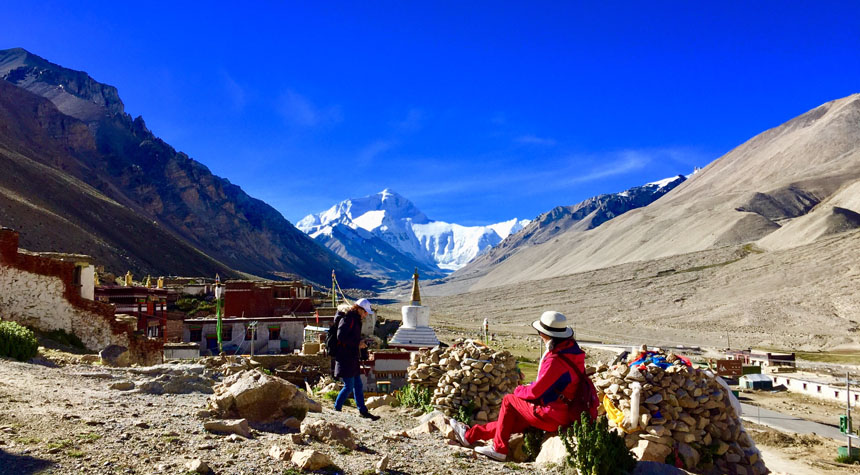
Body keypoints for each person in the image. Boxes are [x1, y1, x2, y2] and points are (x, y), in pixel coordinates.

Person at [449, 311, 587, 461]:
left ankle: (499, 448)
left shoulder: (555, 359)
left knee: (509, 400)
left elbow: (536, 391)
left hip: (552, 414)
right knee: (510, 422)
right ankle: (469, 436)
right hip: (566, 412)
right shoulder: (574, 354)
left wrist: (519, 389)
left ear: (544, 334)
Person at [333, 298, 380, 421]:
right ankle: (336, 409)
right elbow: (341, 337)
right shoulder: (348, 319)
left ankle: (363, 411)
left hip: (352, 357)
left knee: (358, 385)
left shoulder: (355, 320)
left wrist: (359, 343)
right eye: (365, 312)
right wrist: (357, 343)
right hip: (345, 357)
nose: (366, 315)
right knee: (349, 386)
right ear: (359, 309)